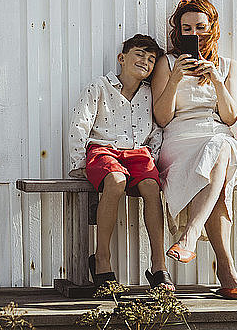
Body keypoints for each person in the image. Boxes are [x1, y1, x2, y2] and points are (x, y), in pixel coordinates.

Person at [151, 0, 237, 299]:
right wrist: (176, 78)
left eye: (200, 27)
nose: (194, 34)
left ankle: (191, 235)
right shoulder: (167, 64)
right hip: (180, 140)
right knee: (217, 177)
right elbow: (162, 117)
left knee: (221, 148)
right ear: (178, 32)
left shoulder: (230, 66)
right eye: (187, 29)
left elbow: (231, 117)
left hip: (219, 135)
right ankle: (226, 268)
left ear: (213, 28)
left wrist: (217, 81)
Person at [68, 34, 174, 291]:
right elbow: (80, 124)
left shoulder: (150, 93)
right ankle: (102, 258)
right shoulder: (100, 87)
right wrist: (79, 163)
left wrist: (153, 156)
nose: (145, 61)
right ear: (122, 58)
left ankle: (158, 264)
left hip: (138, 153)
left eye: (151, 59)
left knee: (152, 186)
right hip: (103, 151)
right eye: (139, 54)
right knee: (116, 181)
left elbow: (157, 129)